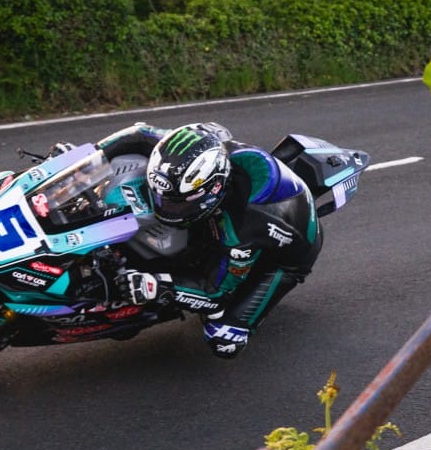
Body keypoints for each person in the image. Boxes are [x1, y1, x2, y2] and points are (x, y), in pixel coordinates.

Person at [97, 121, 323, 359]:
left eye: (177, 203)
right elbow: (138, 134)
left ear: (213, 190)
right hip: (235, 207)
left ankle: (248, 304)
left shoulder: (242, 225)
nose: (164, 207)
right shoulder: (188, 149)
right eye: (162, 198)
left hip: (289, 253)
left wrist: (158, 285)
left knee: (224, 339)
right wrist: (80, 159)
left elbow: (214, 293)